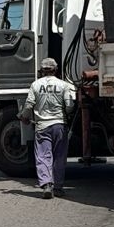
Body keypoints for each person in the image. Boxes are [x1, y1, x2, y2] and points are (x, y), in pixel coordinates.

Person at [24, 56, 76, 198]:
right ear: (56, 70)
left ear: (41, 71)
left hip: (42, 127)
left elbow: (29, 105)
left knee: (43, 155)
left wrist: (24, 117)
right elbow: (70, 106)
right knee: (59, 156)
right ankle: (58, 187)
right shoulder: (63, 85)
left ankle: (47, 185)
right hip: (59, 125)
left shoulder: (35, 85)